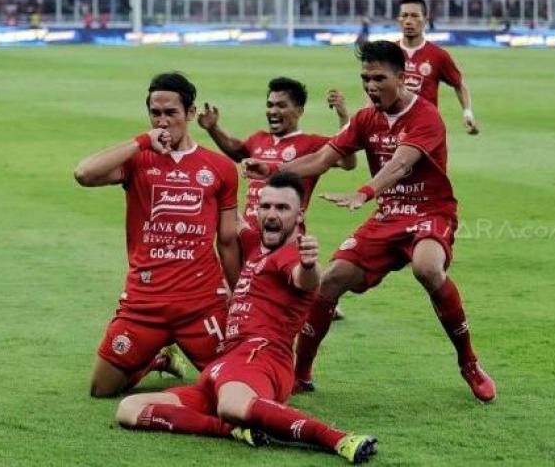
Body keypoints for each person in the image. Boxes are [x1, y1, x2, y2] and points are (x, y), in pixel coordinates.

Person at [243, 41, 496, 403]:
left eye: (379, 78)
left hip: (429, 211)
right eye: (365, 78)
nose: (370, 86)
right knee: (330, 281)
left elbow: (401, 163)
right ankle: (301, 374)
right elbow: (320, 159)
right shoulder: (365, 118)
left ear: (404, 77)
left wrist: (364, 191)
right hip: (387, 217)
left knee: (427, 268)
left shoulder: (425, 116)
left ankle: (469, 363)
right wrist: (271, 169)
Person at [115, 172, 378, 465]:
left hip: (262, 357)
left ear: (299, 214)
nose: (271, 214)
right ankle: (231, 431)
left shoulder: (290, 255)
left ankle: (337, 438)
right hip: (226, 364)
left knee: (232, 404)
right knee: (130, 408)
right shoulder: (255, 242)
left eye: (282, 208)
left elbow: (306, 280)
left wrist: (309, 264)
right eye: (265, 207)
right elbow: (231, 216)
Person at [74, 72, 241, 398]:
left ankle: (163, 355)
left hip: (201, 303)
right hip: (144, 303)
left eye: (171, 113)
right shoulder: (138, 160)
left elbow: (228, 239)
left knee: (231, 386)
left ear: (190, 114)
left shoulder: (219, 168)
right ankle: (155, 358)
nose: (163, 122)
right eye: (156, 113)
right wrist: (140, 141)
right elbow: (83, 173)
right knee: (101, 389)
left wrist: (239, 296)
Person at [197, 77, 354, 325]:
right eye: (270, 105)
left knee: (273, 295)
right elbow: (236, 150)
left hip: (284, 234)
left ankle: (316, 304)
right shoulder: (259, 139)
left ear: (299, 110)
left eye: (281, 105)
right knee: (238, 296)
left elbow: (347, 160)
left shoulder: (311, 143)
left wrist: (344, 116)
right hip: (248, 233)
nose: (273, 111)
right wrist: (213, 128)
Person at [397, 0, 479, 135]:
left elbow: (458, 84)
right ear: (398, 20)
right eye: (404, 16)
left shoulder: (438, 55)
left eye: (415, 16)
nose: (409, 21)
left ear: (425, 21)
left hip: (426, 130)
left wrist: (467, 113)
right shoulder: (387, 53)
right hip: (394, 129)